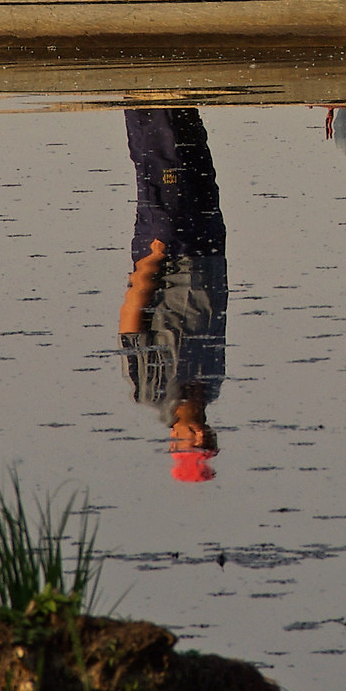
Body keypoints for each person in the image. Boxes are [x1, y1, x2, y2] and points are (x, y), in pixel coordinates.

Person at [119, 106, 229, 482]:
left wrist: (150, 260)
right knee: (197, 161)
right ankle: (182, 99)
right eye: (206, 440)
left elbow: (132, 324)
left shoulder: (148, 391)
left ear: (174, 440)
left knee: (161, 158)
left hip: (168, 253)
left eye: (193, 443)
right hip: (208, 251)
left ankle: (146, 94)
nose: (201, 434)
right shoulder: (212, 385)